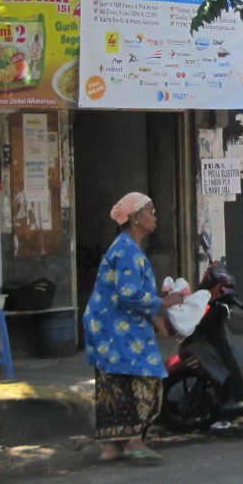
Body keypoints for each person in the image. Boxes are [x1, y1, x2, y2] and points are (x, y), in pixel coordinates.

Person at [82, 192, 182, 464]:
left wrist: (156, 318)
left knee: (114, 381)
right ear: (136, 217)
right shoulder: (127, 250)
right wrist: (163, 302)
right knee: (145, 376)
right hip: (116, 327)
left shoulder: (126, 247)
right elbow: (129, 295)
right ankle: (134, 441)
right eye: (150, 210)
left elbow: (131, 294)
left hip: (110, 325)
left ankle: (111, 446)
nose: (154, 216)